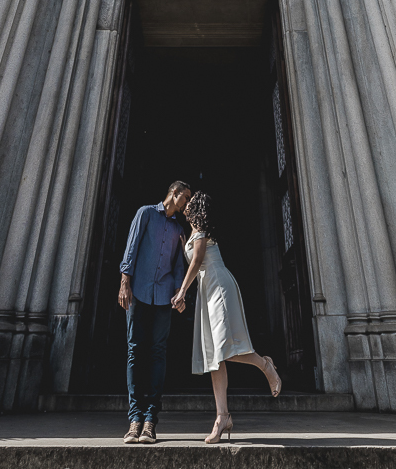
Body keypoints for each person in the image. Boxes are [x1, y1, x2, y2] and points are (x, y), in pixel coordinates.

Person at [171, 191, 281, 444]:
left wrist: (182, 292)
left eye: (189, 203)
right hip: (207, 291)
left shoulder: (200, 233)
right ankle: (222, 418)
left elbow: (198, 260)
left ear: (195, 209)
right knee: (214, 357)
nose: (185, 205)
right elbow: (193, 256)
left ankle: (266, 365)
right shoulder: (192, 234)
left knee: (225, 349)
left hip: (218, 287)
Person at [119, 180, 192, 444]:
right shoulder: (146, 213)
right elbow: (132, 247)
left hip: (163, 297)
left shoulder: (178, 228)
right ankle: (134, 418)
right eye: (185, 199)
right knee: (134, 349)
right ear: (174, 194)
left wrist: (179, 293)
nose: (186, 206)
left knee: (158, 352)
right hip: (138, 291)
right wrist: (124, 282)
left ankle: (150, 419)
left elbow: (177, 267)